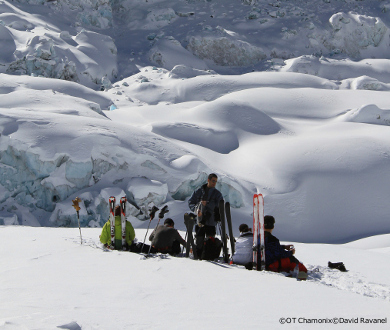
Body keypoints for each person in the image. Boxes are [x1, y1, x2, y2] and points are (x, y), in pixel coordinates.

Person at [188, 173, 223, 257]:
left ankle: (208, 256)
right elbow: (191, 202)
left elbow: (220, 206)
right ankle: (198, 256)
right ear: (208, 180)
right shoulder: (199, 191)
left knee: (210, 241)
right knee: (199, 240)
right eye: (213, 181)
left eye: (216, 181)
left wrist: (215, 213)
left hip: (211, 221)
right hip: (200, 221)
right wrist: (197, 210)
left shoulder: (217, 194)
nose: (214, 183)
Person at [264, 215, 308, 280]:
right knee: (292, 259)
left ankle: (289, 272)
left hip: (266, 262)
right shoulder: (272, 239)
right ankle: (303, 273)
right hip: (272, 264)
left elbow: (272, 248)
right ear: (273, 226)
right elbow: (280, 254)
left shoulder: (260, 237)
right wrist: (291, 252)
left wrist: (284, 247)